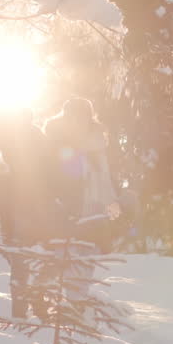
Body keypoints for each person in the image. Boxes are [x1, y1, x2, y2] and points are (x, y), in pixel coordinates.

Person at [0, 107, 59, 318]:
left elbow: (50, 170)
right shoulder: (2, 138)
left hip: (28, 207)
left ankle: (29, 306)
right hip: (24, 208)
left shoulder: (1, 138)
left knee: (28, 259)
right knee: (32, 259)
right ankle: (30, 307)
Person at [42, 97, 120, 248]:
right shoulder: (56, 143)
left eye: (83, 116)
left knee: (96, 256)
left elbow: (106, 178)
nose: (78, 121)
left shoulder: (98, 142)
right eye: (73, 117)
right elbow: (51, 176)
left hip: (97, 208)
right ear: (66, 117)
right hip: (66, 209)